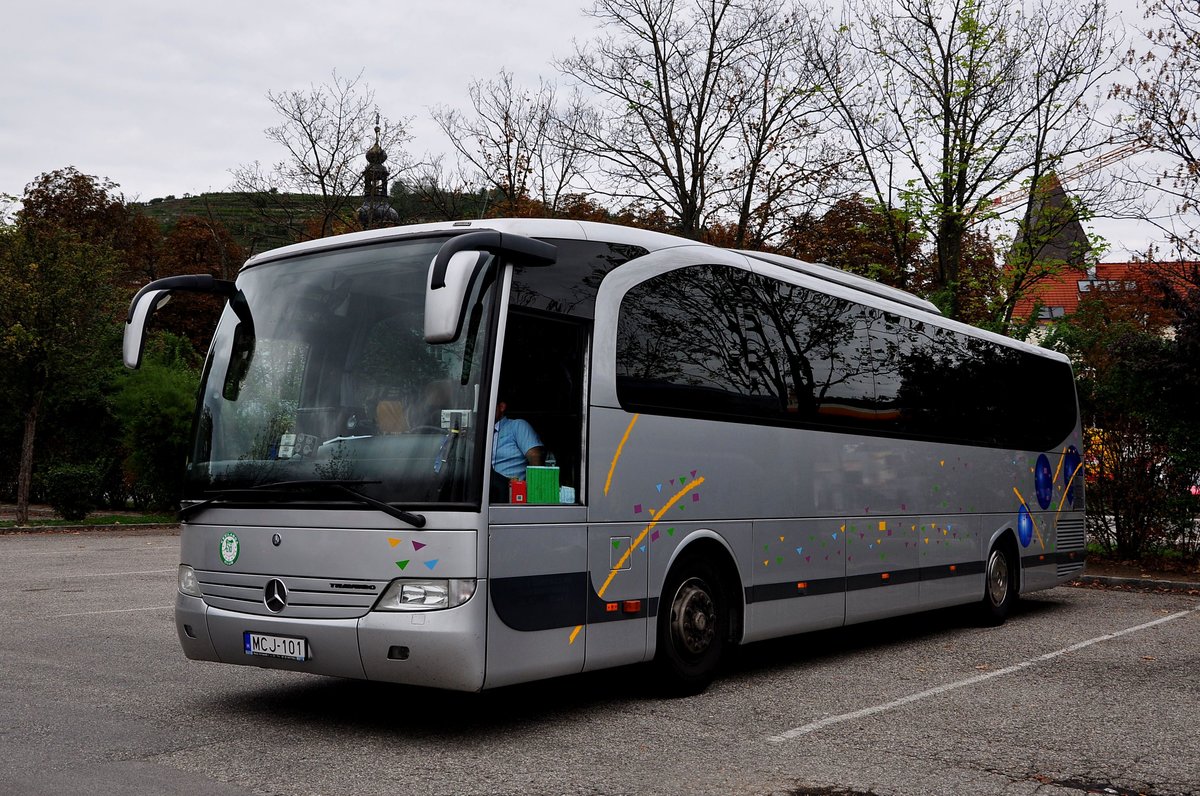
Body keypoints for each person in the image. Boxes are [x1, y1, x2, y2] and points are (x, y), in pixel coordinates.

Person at [491, 397, 544, 502]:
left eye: (490, 405)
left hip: (511, 494)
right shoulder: (480, 432)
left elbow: (536, 458)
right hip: (484, 493)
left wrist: (534, 494)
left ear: (501, 407)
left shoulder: (517, 426)